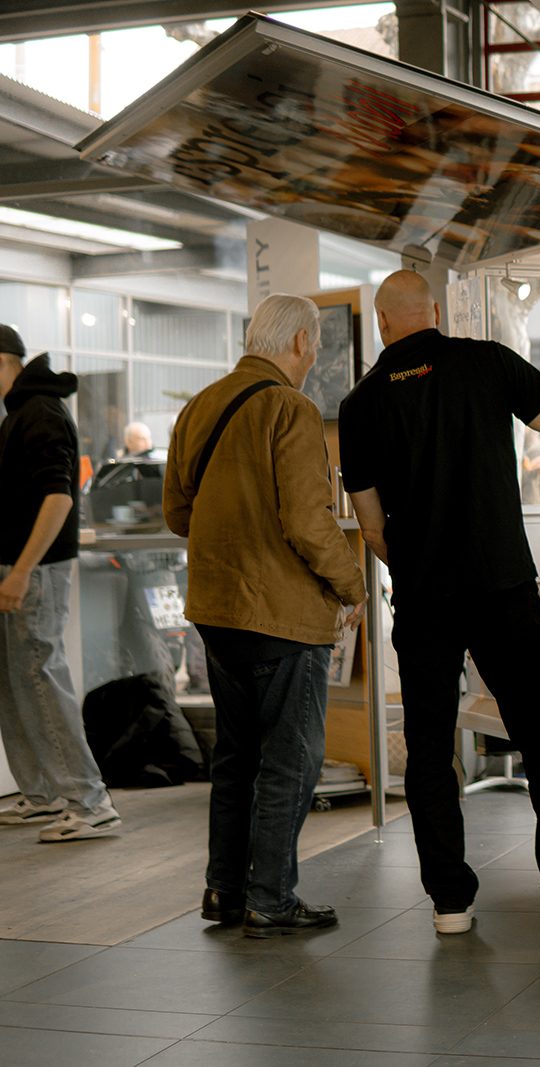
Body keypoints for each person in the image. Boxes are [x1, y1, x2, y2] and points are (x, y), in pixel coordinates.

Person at [338, 270, 540, 933]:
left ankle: (449, 902)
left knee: (430, 746)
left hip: (424, 597)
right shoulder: (487, 363)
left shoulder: (360, 404)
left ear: (382, 323)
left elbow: (371, 525)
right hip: (500, 585)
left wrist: (419, 567)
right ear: (434, 311)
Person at [164, 294, 367, 937]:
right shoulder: (291, 408)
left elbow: (176, 513)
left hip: (216, 611)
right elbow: (308, 520)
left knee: (236, 757)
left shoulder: (200, 406)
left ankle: (224, 891)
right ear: (303, 344)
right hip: (279, 614)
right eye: (316, 349)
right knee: (291, 759)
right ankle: (271, 898)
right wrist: (351, 584)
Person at [0, 324, 123, 841]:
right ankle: (44, 794)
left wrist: (24, 569)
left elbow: (59, 499)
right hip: (18, 567)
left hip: (36, 570)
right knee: (15, 682)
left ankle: (88, 800)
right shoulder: (22, 412)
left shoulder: (42, 412)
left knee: (40, 679)